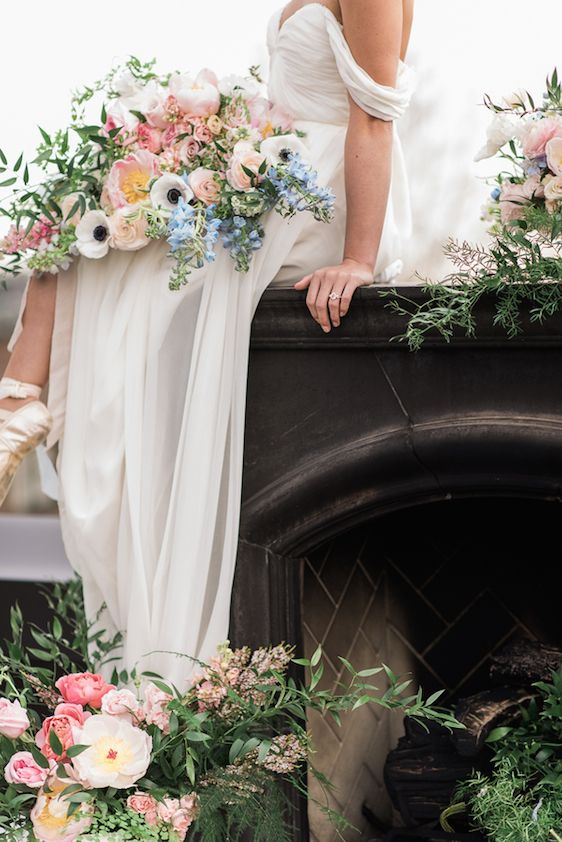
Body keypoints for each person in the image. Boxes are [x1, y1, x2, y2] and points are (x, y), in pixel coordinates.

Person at [0, 0, 415, 685]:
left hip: (319, 199)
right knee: (84, 203)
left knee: (119, 259)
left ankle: (19, 404)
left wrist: (359, 259)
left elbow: (374, 115)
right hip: (280, 169)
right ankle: (19, 400)